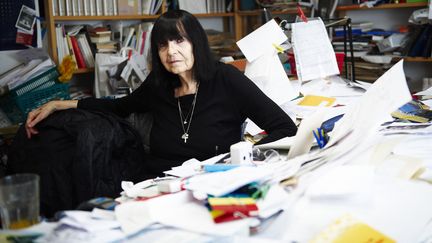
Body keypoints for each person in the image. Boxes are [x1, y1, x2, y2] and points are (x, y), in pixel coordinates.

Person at [25, 9, 297, 177]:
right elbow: (118, 107)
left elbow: (284, 127)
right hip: (155, 185)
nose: (171, 52)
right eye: (162, 45)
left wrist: (243, 155)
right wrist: (60, 104)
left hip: (211, 186)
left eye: (179, 40)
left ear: (196, 43)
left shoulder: (225, 79)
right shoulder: (159, 85)